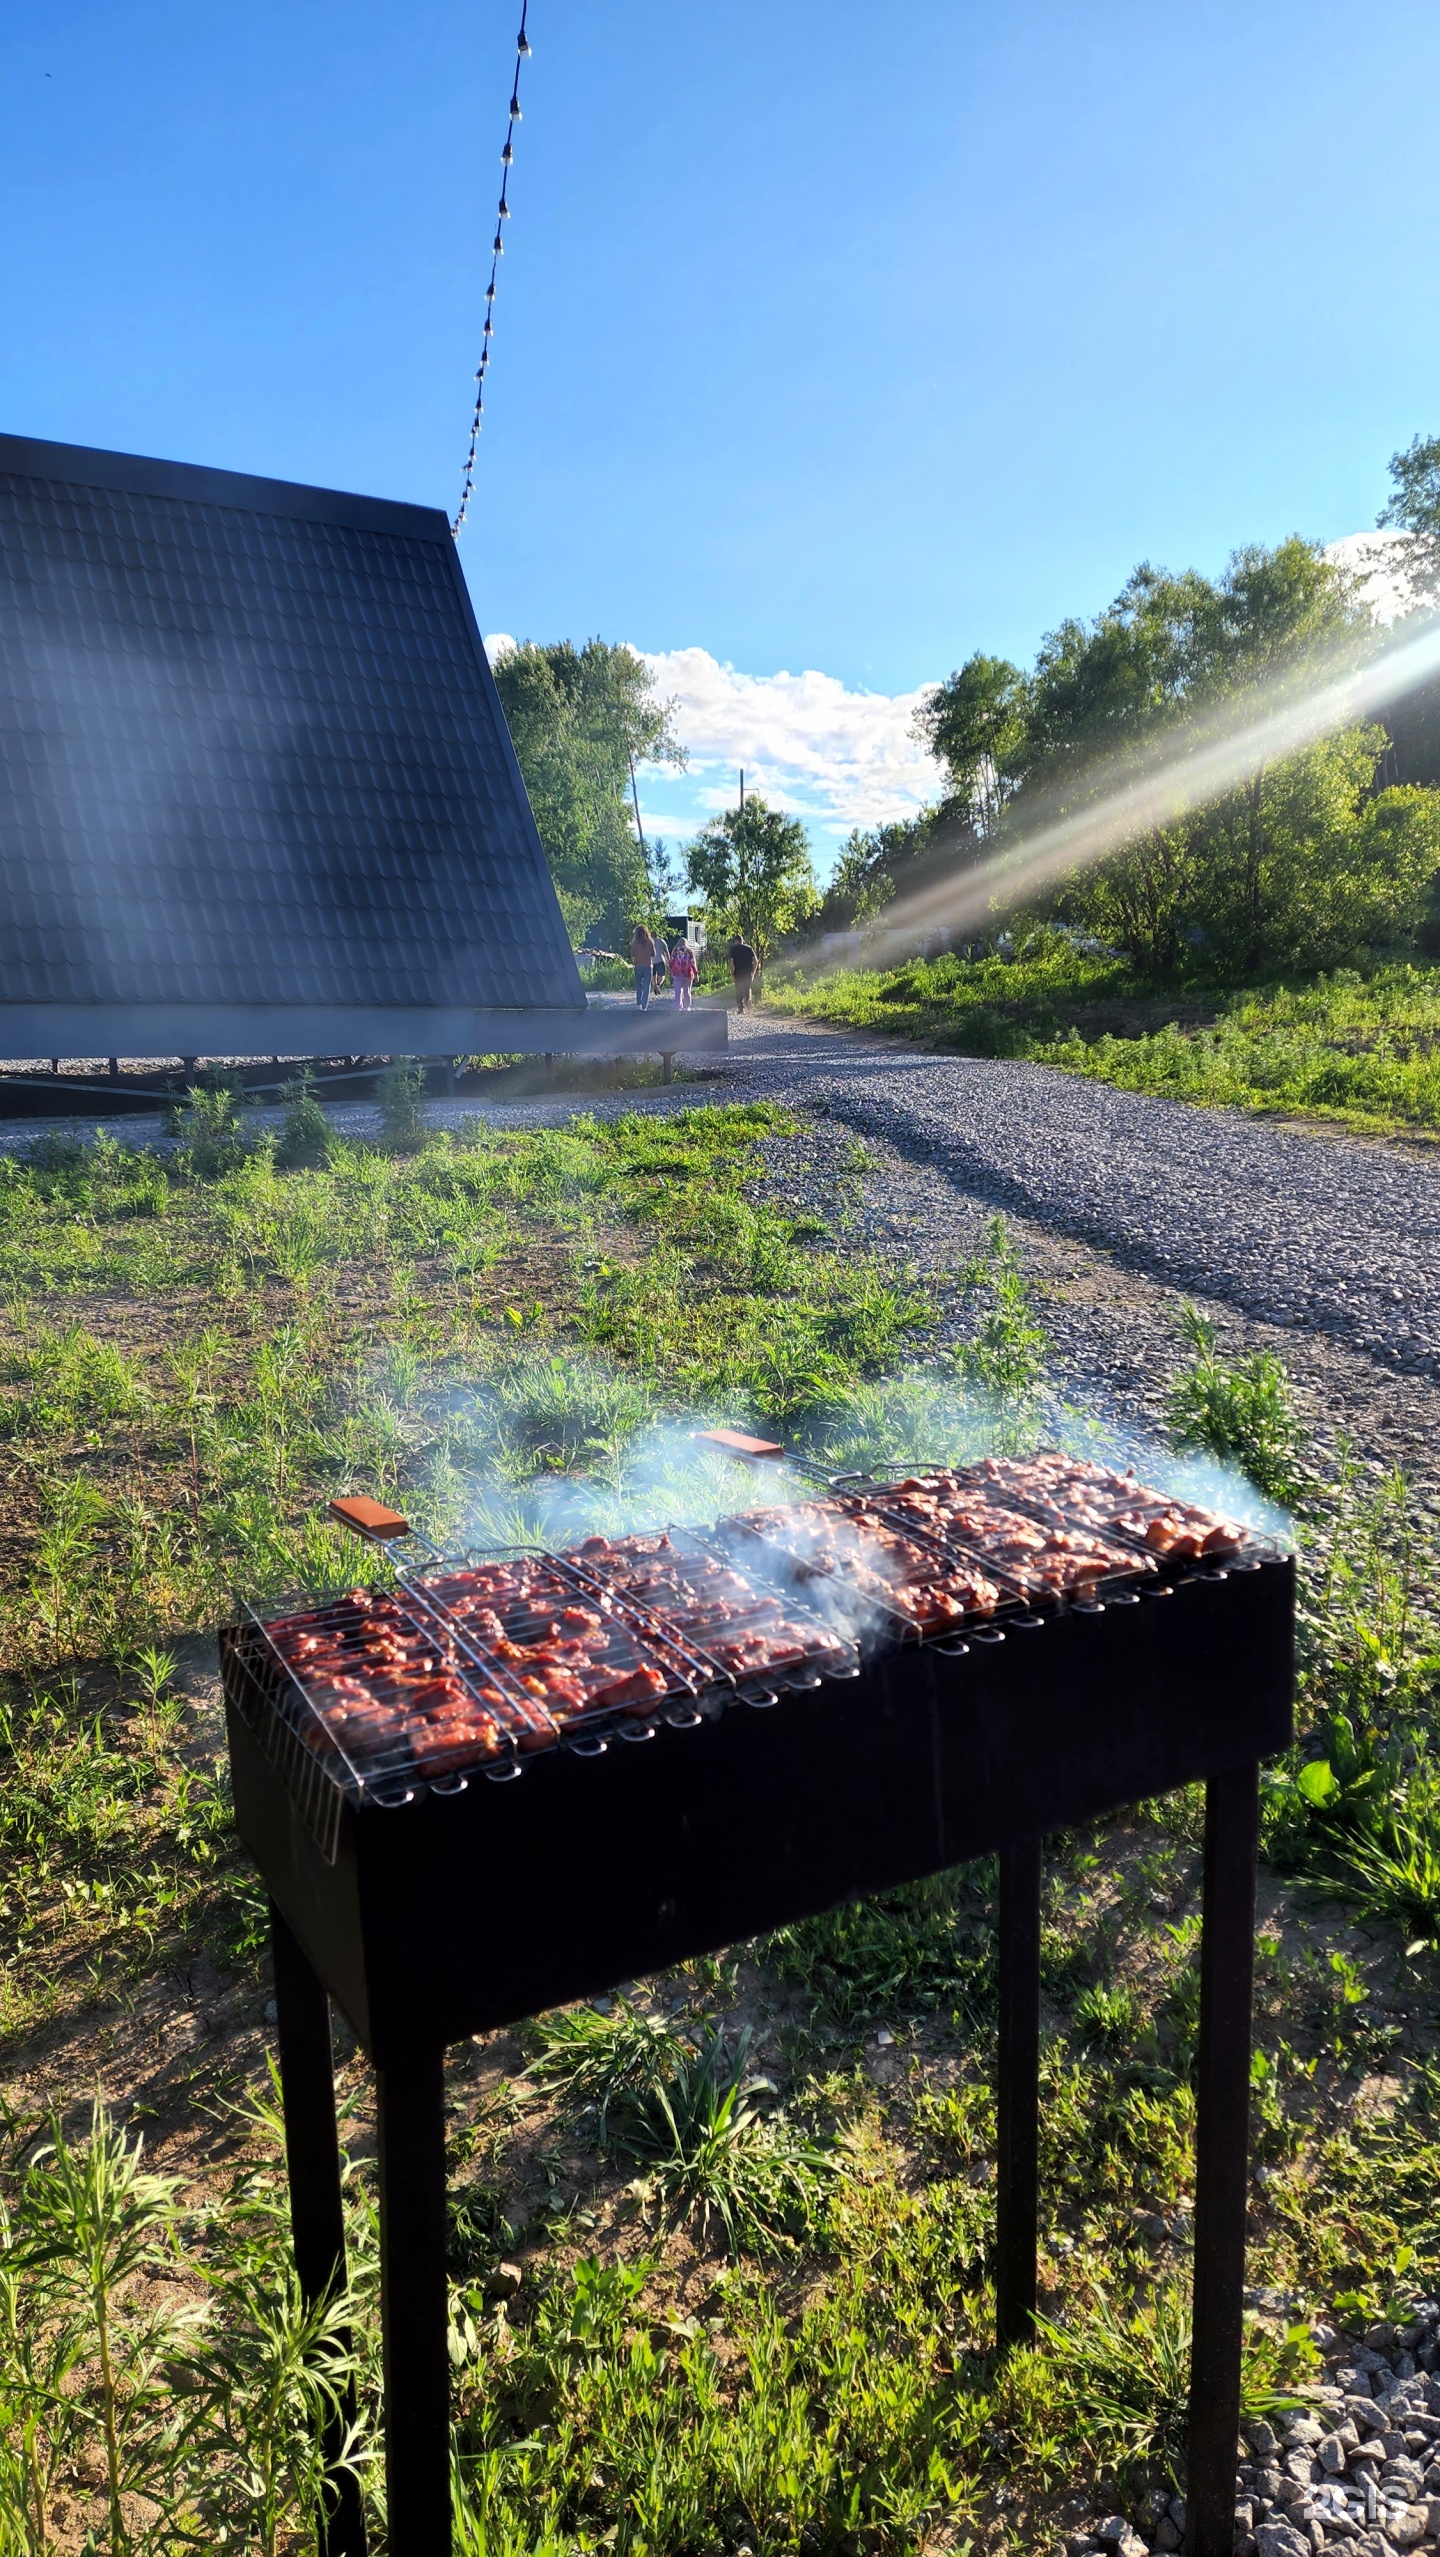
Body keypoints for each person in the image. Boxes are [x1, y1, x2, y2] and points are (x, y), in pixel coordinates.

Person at [728, 933, 758, 1012]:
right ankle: (748, 1000)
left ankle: (741, 1007)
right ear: (742, 941)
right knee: (747, 987)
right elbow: (756, 961)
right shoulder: (749, 948)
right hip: (748, 972)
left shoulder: (734, 950)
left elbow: (731, 962)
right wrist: (753, 972)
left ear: (736, 941)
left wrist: (732, 973)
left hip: (738, 972)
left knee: (739, 989)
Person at [630, 922, 656, 1009]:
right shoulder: (650, 942)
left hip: (638, 965)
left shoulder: (634, 942)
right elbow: (653, 954)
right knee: (646, 986)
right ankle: (644, 1005)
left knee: (638, 985)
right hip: (648, 965)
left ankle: (639, 1002)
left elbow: (632, 954)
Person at [669, 936, 698, 1010]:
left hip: (677, 972)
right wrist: (696, 973)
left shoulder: (675, 951)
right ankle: (687, 1006)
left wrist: (671, 971)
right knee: (687, 990)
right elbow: (692, 963)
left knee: (678, 990)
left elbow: (671, 961)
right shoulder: (690, 951)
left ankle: (678, 1006)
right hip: (688, 973)